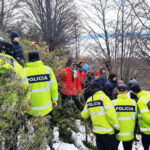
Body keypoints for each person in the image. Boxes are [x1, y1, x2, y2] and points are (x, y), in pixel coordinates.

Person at [24, 50, 58, 149]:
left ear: (29, 59)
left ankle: (38, 145)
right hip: (47, 107)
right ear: (39, 58)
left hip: (32, 109)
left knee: (36, 128)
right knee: (49, 127)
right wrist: (54, 100)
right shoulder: (47, 70)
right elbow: (53, 86)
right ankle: (50, 145)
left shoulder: (24, 71)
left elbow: (22, 89)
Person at [0, 38, 30, 149]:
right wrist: (24, 111)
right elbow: (25, 90)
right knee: (11, 139)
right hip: (11, 113)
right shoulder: (17, 67)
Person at [81, 82, 120, 150]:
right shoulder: (105, 98)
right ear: (100, 89)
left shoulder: (89, 100)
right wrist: (117, 127)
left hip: (97, 133)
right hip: (108, 133)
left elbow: (84, 115)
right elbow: (111, 115)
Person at [113, 84, 137, 150]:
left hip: (116, 133)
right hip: (129, 133)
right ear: (127, 91)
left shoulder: (113, 103)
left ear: (117, 91)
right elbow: (135, 116)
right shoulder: (133, 103)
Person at [130, 84, 150, 150]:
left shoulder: (141, 101)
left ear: (133, 92)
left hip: (147, 131)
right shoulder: (148, 96)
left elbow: (147, 117)